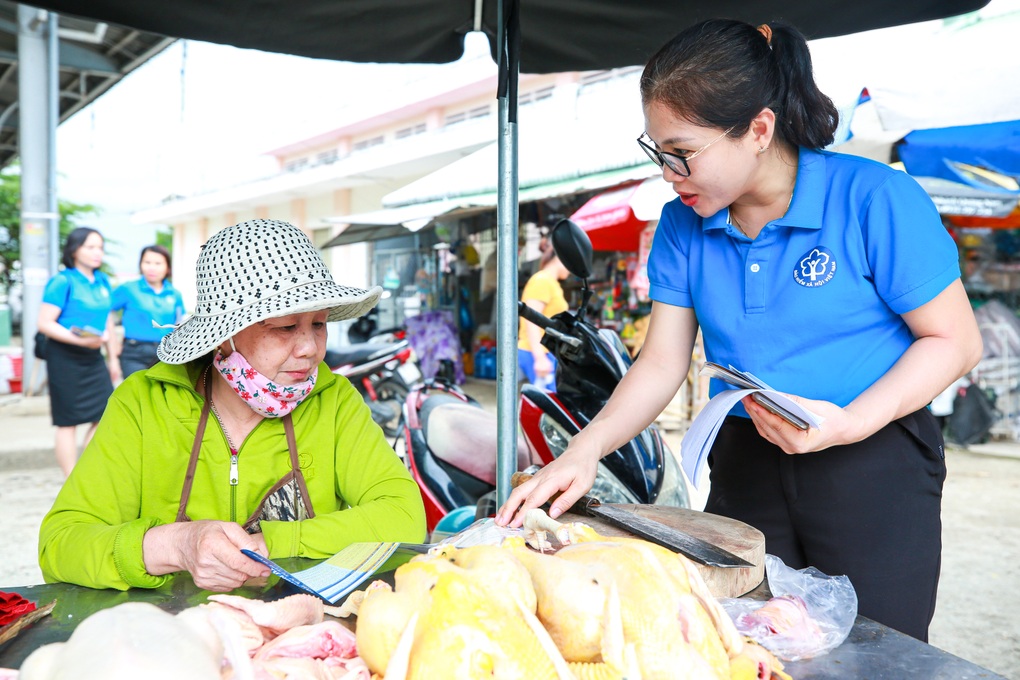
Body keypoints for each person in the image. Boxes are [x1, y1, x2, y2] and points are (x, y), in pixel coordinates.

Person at [497, 19, 983, 642]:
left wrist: (846, 423)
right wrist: (583, 452)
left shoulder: (873, 198)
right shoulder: (682, 225)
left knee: (873, 649)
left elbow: (954, 340)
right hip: (746, 453)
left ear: (758, 129)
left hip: (873, 456)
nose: (670, 173)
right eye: (657, 152)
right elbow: (661, 362)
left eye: (683, 152)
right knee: (739, 637)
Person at [39, 219, 427, 593]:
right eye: (286, 327)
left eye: (319, 325)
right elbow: (62, 544)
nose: (310, 349)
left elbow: (404, 516)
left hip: (293, 631)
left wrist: (267, 544)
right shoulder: (145, 402)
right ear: (223, 338)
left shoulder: (335, 400)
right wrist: (175, 545)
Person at [36, 227, 120, 477]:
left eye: (101, 247)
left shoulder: (103, 281)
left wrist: (112, 357)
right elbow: (45, 323)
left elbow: (108, 322)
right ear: (74, 250)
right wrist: (81, 341)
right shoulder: (63, 281)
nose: (98, 253)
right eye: (90, 247)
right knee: (68, 420)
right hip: (65, 357)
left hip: (94, 357)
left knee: (104, 414)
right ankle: (70, 479)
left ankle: (87, 472)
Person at [111, 244, 187, 378]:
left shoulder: (175, 294)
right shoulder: (128, 289)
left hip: (165, 352)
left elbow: (179, 323)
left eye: (158, 263)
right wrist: (113, 342)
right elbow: (105, 311)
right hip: (134, 352)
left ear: (167, 267)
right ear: (141, 264)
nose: (152, 267)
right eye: (147, 262)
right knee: (137, 394)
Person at [518, 237, 570, 388]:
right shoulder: (542, 281)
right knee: (548, 405)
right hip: (535, 351)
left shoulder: (551, 283)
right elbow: (531, 320)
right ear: (560, 259)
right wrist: (539, 357)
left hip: (546, 352)